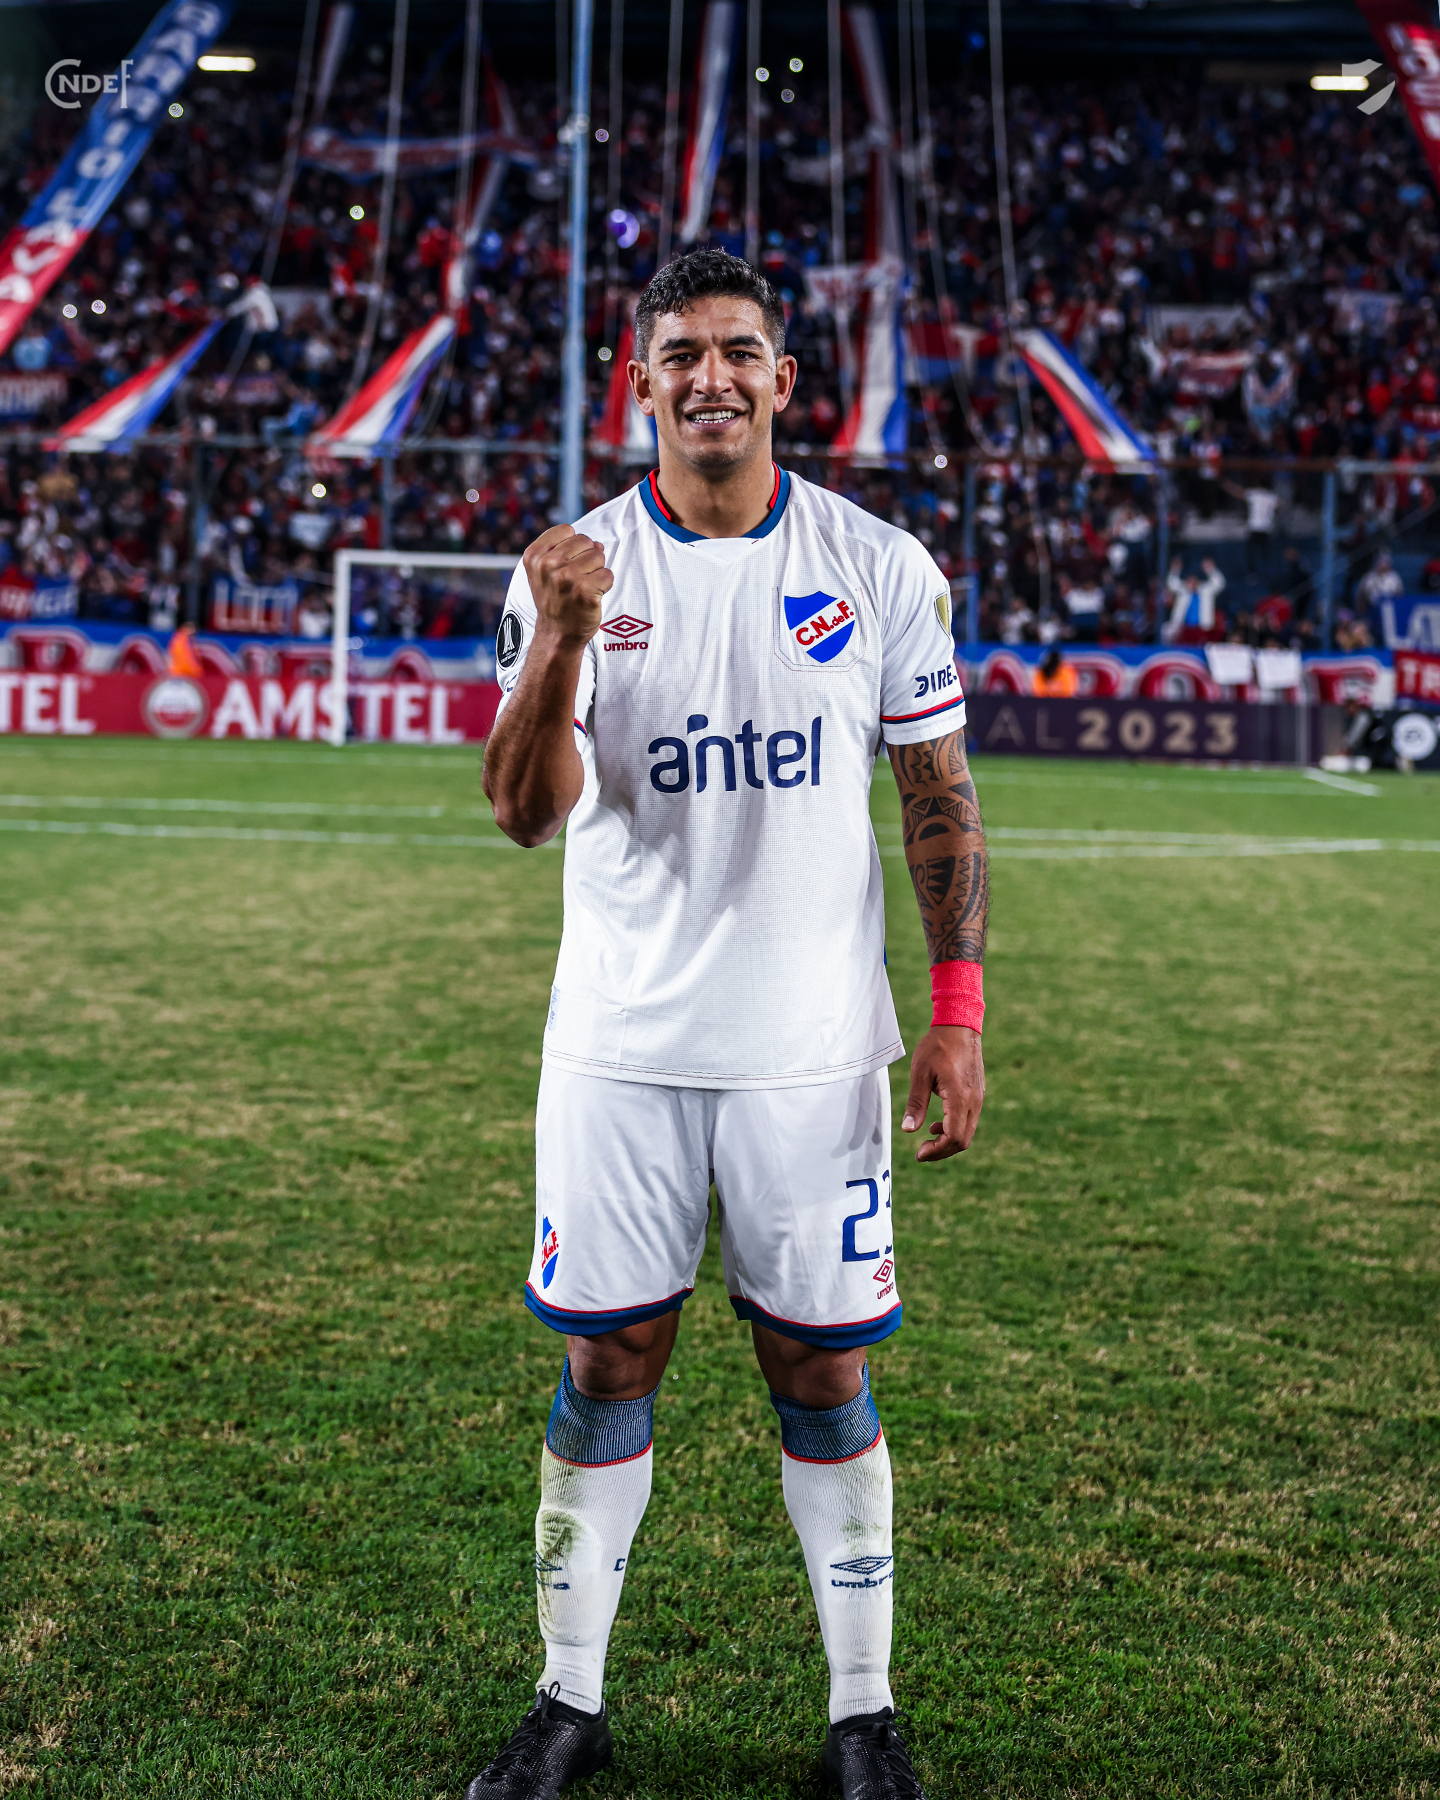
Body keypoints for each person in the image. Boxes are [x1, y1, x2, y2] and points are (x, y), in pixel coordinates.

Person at [474, 249, 988, 1800]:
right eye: (683, 353)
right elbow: (524, 815)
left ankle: (862, 1718)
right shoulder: (570, 570)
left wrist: (956, 1009)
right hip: (621, 1048)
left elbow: (940, 797)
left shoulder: (877, 563)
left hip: (815, 1054)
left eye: (740, 351)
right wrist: (563, 636)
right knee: (610, 1355)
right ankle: (567, 1703)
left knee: (822, 1370)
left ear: (783, 379)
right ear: (639, 383)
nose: (713, 377)